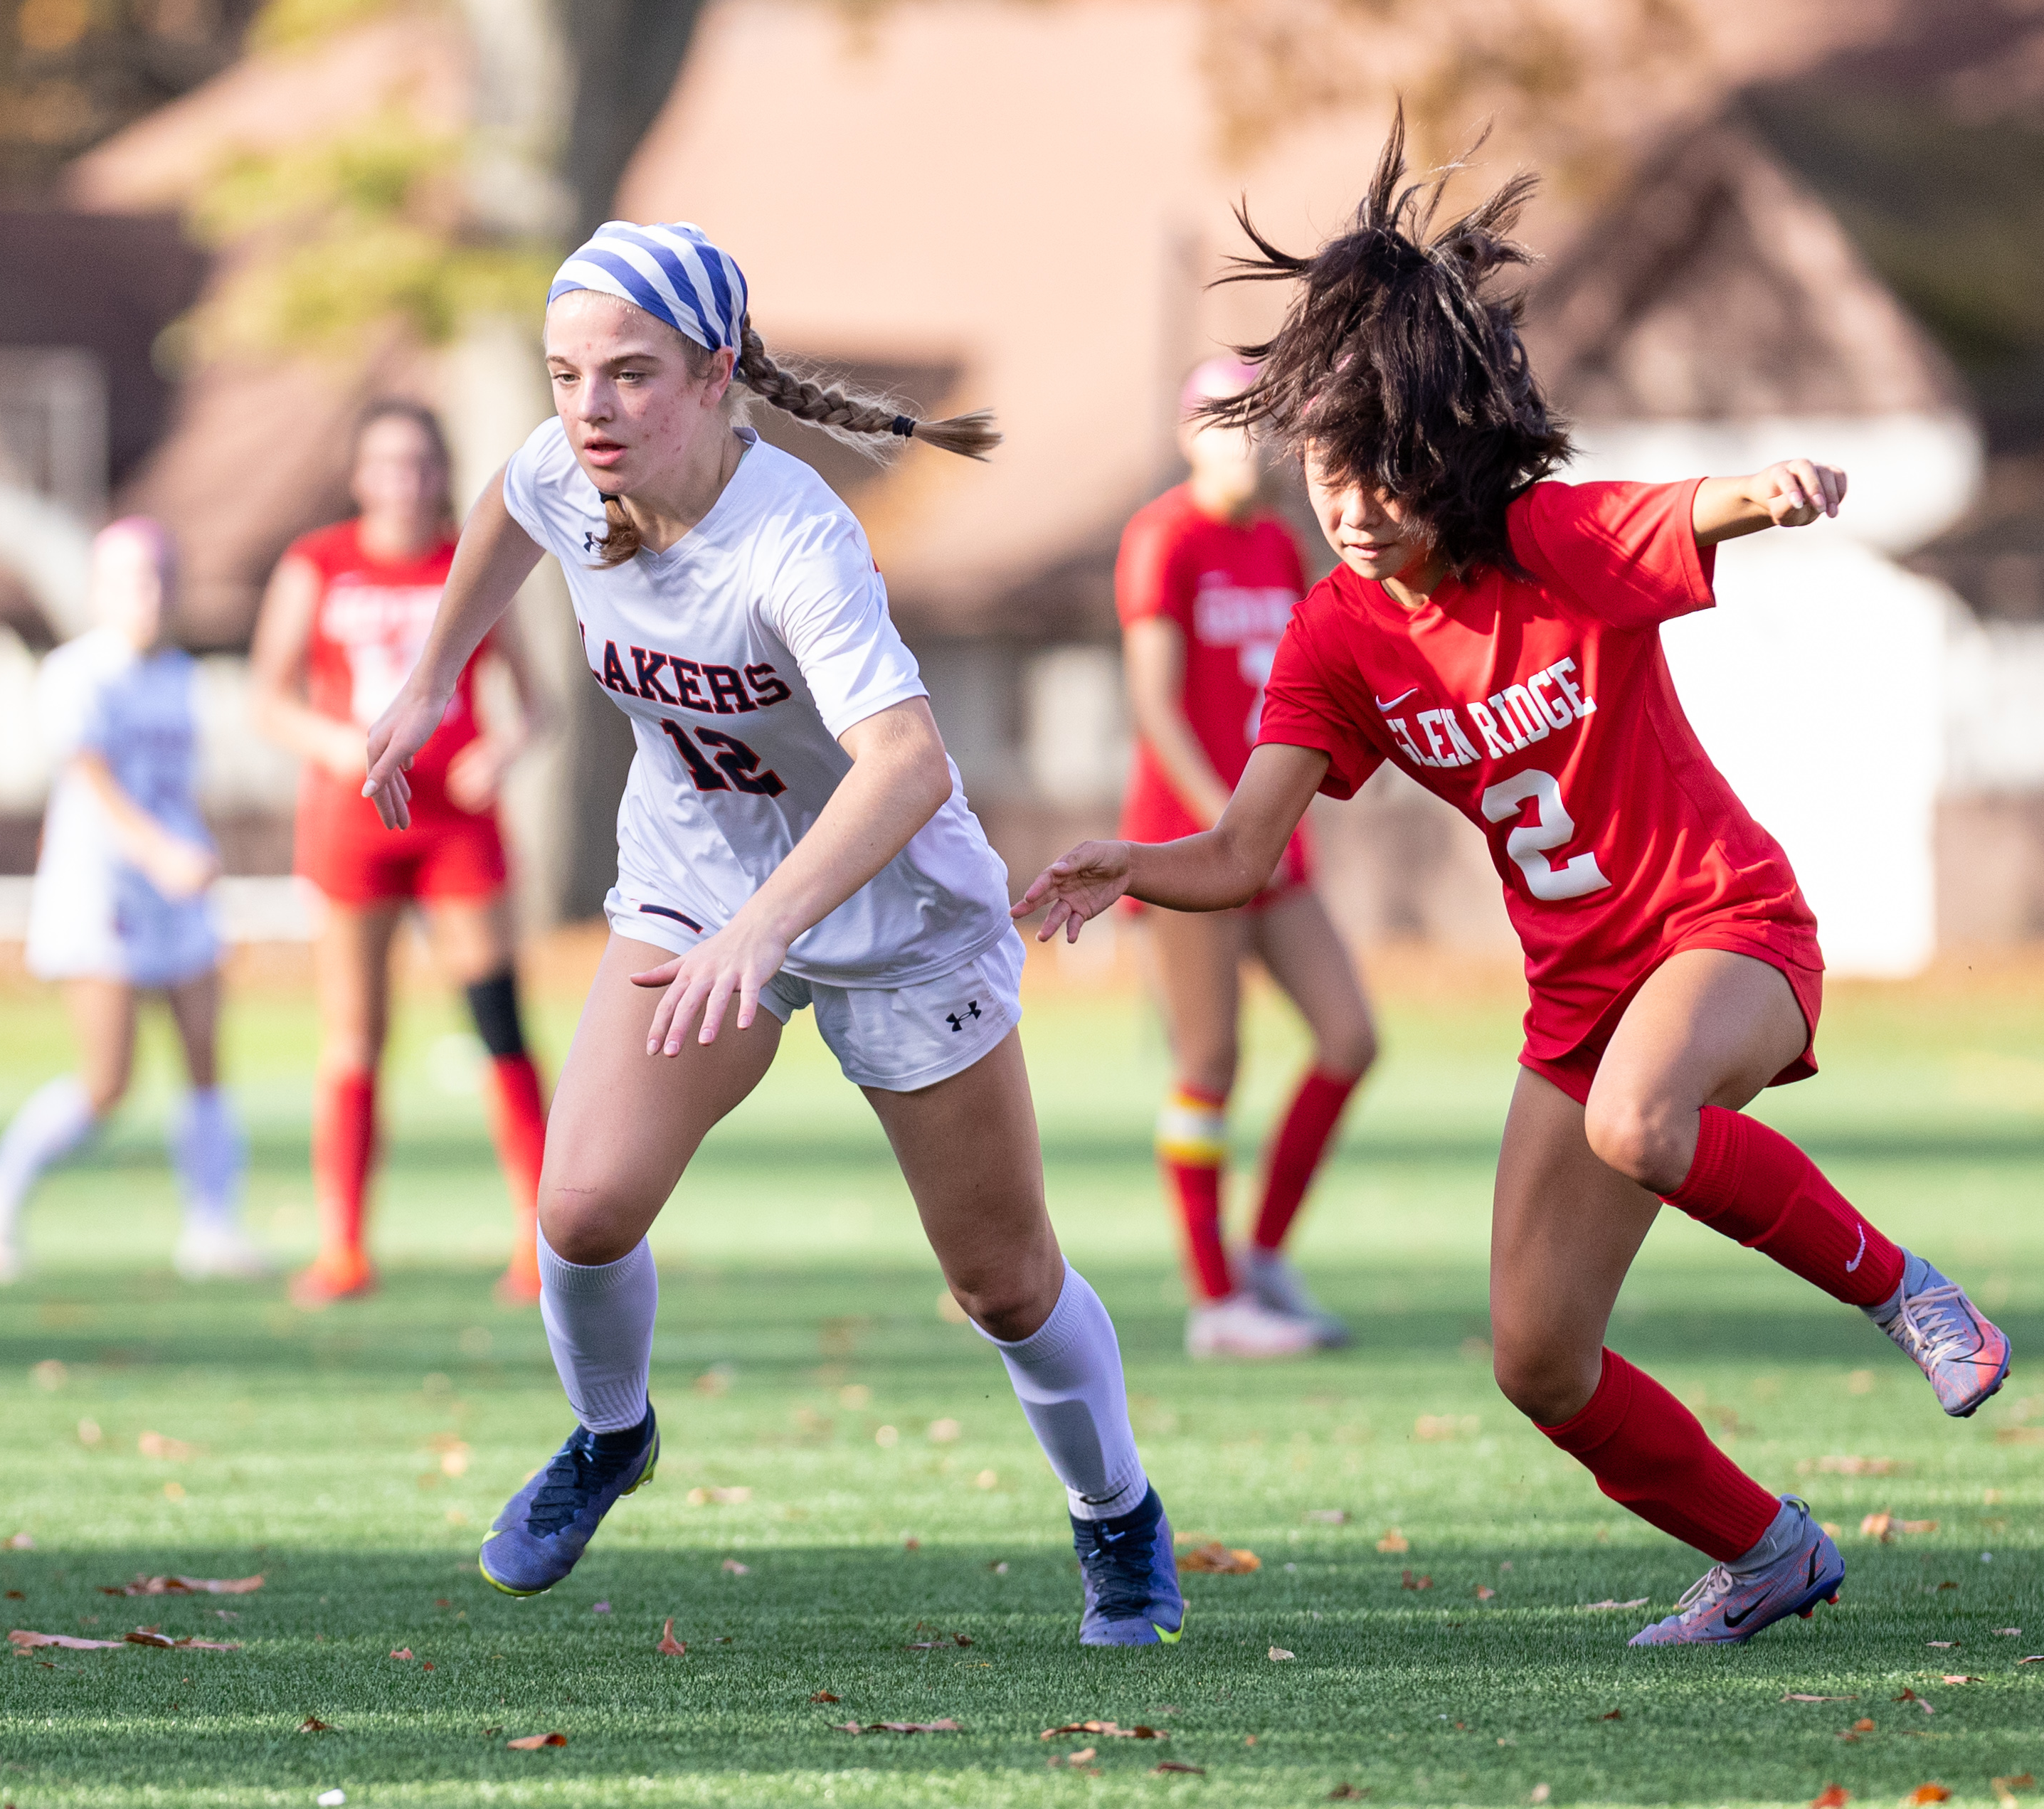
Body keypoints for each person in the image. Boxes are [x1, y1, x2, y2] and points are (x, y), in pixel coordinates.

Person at [1015, 118, 2011, 1648]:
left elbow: (1684, 508)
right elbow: (1235, 850)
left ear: (1448, 448)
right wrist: (1119, 862)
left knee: (1640, 1117)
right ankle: (1765, 1551)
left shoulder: (1543, 541)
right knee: (1535, 1357)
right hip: (1577, 1000)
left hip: (1723, 932)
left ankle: (1906, 1292)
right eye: (1320, 467)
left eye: (1377, 464)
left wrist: (1774, 485)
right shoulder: (1336, 634)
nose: (1343, 502)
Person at [362, 221, 1187, 1647]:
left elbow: (906, 763)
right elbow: (504, 506)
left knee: (998, 1280)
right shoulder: (567, 467)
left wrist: (767, 923)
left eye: (627, 375)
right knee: (577, 1208)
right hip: (693, 888)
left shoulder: (792, 535)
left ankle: (1113, 1511)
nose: (586, 408)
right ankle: (607, 1432)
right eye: (566, 375)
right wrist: (431, 676)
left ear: (712, 376)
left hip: (893, 918)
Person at [253, 401, 557, 1306]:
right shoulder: (317, 564)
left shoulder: (471, 559)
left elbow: (535, 702)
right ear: (358, 474)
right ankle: (343, 1246)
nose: (403, 478)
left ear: (441, 471)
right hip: (355, 826)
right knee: (354, 1035)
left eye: (420, 462)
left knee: (497, 1021)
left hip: (455, 828)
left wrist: (498, 750)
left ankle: (542, 1244)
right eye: (385, 461)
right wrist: (337, 743)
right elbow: (266, 699)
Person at [1118, 356, 1377, 1359]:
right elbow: (1155, 706)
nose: (1240, 443)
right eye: (1219, 425)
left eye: (1252, 425)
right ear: (1188, 436)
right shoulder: (1161, 538)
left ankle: (1264, 1254)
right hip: (1191, 843)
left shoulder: (1276, 542)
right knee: (1210, 1061)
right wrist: (1225, 832)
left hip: (1273, 843)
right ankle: (1214, 1299)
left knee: (1349, 1037)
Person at [0, 518, 266, 1285]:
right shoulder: (77, 674)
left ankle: (211, 1226)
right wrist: (159, 851)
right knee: (107, 1081)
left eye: (161, 575)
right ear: (99, 591)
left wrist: (197, 850)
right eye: (131, 577)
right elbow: (93, 783)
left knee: (205, 1055)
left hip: (177, 892)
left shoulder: (181, 678)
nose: (148, 593)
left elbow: (180, 786)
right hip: (102, 895)